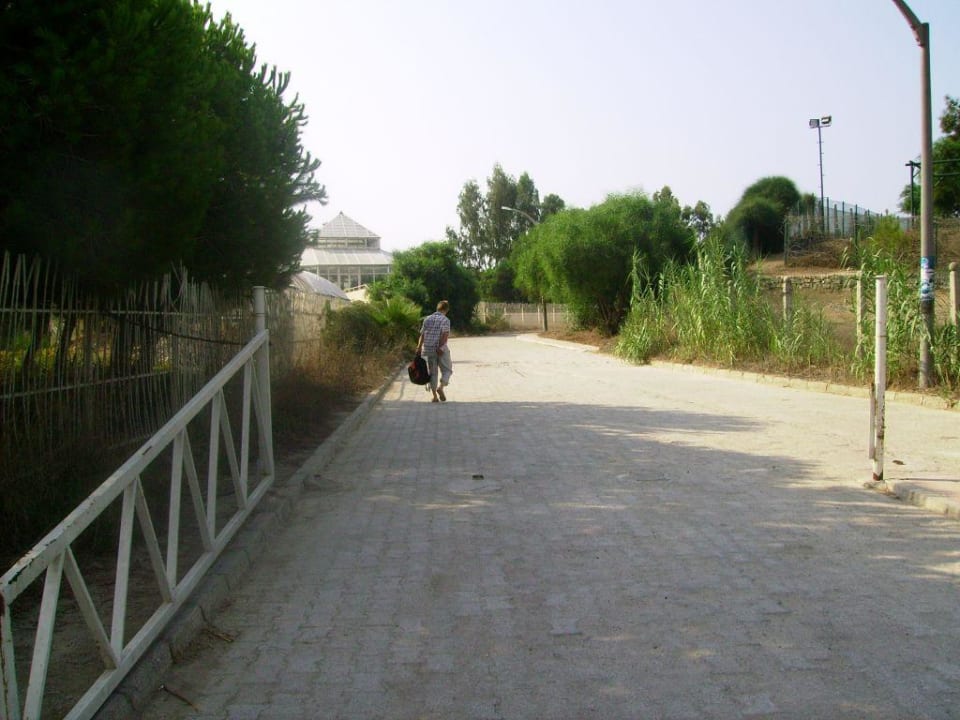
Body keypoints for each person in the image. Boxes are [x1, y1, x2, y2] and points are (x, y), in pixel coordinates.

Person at [416, 300, 453, 402]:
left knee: (433, 373)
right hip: (439, 349)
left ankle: (435, 397)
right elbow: (445, 336)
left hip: (428, 349)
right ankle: (441, 387)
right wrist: (441, 348)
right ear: (447, 309)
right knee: (447, 369)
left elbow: (422, 335)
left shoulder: (427, 319)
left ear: (437, 308)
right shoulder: (445, 320)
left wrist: (419, 347)